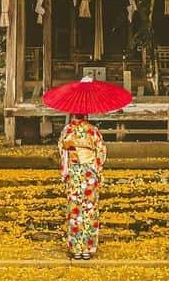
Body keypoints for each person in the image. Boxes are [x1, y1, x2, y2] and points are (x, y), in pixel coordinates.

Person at [58, 106, 107, 260]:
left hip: (74, 171)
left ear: (73, 113)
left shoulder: (67, 131)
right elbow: (101, 152)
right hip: (89, 172)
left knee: (75, 210)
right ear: (86, 113)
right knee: (89, 208)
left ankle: (76, 248)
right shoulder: (93, 131)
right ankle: (88, 247)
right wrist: (97, 169)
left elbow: (62, 150)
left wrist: (72, 151)